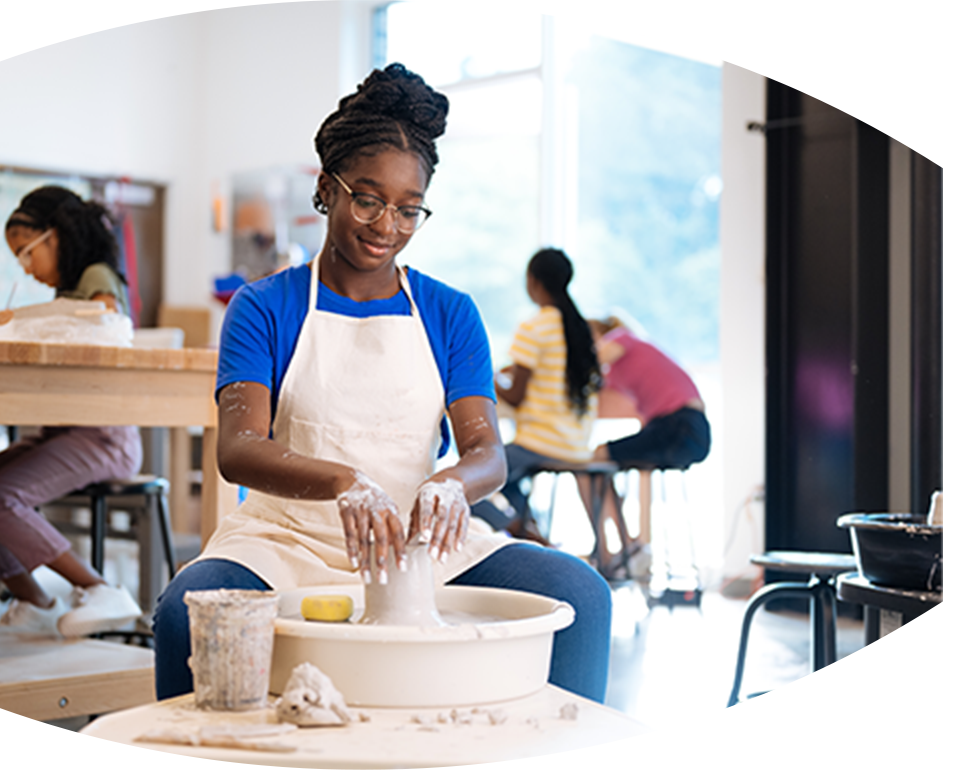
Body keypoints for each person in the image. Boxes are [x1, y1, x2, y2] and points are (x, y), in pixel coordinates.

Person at [152, 64, 612, 703]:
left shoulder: (449, 312)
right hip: (286, 540)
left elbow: (487, 455)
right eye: (367, 199)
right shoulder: (264, 306)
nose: (385, 225)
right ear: (327, 190)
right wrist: (345, 482)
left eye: (408, 209)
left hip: (421, 544)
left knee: (581, 593)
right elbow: (238, 451)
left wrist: (450, 485)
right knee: (185, 613)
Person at [0, 186, 144, 638]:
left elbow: (101, 328)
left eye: (28, 253)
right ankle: (35, 599)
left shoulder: (97, 278)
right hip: (62, 431)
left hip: (103, 437)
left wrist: (25, 323)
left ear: (56, 236)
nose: (26, 268)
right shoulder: (73, 289)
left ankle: (101, 589)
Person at [469, 249, 602, 548]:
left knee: (473, 477)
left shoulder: (534, 327)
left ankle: (526, 533)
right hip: (578, 445)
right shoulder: (581, 328)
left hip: (540, 444)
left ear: (533, 281)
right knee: (506, 481)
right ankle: (529, 531)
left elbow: (515, 397)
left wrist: (487, 377)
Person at [585, 315, 711, 579]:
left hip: (680, 427)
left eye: (590, 336)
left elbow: (592, 362)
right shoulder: (617, 371)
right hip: (683, 428)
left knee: (595, 458)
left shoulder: (622, 338)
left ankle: (623, 547)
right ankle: (626, 545)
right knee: (599, 460)